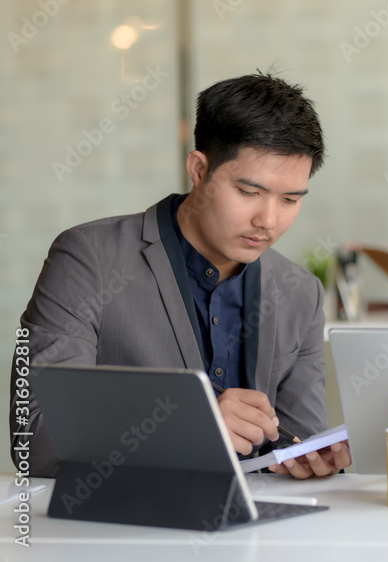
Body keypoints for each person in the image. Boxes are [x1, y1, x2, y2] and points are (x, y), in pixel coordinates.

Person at [9, 72, 351, 480]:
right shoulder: (89, 259)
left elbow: (298, 441)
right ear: (199, 169)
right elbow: (34, 436)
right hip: (129, 532)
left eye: (291, 199)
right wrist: (191, 427)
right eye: (248, 192)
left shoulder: (300, 293)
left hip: (261, 532)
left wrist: (314, 462)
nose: (269, 221)